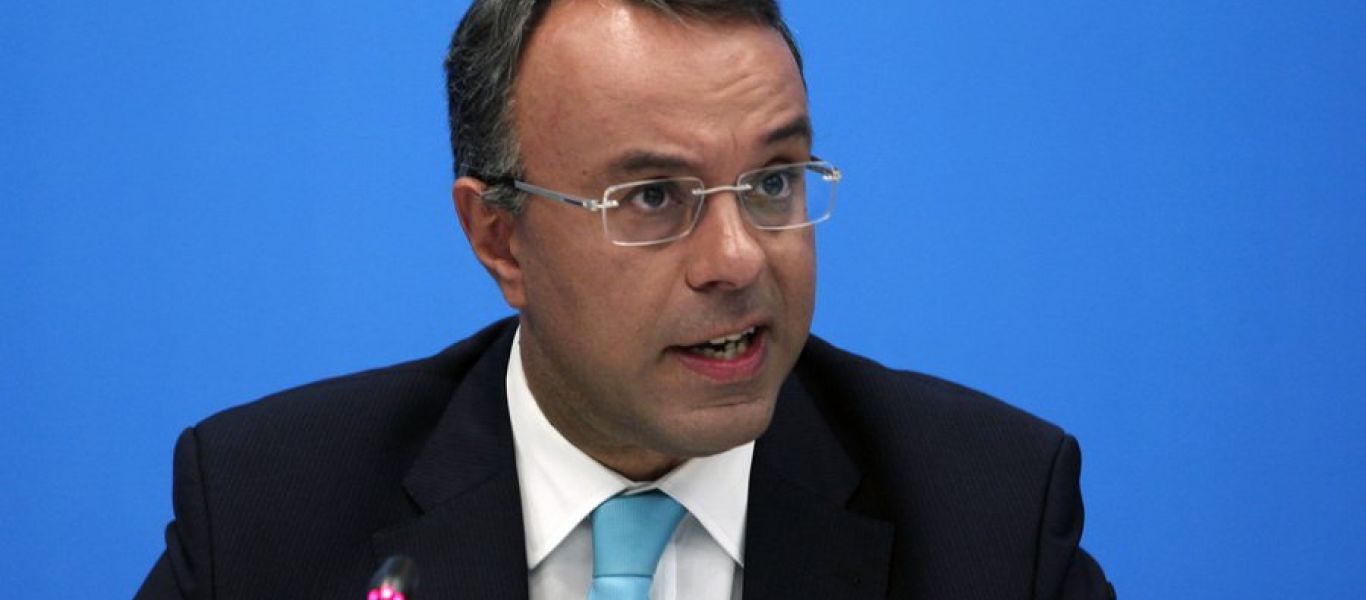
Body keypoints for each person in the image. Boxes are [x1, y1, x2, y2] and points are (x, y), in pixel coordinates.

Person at [136, 0, 1115, 598]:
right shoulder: (270, 516)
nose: (737, 259)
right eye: (652, 198)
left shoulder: (987, 516)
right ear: (500, 238)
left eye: (774, 181)